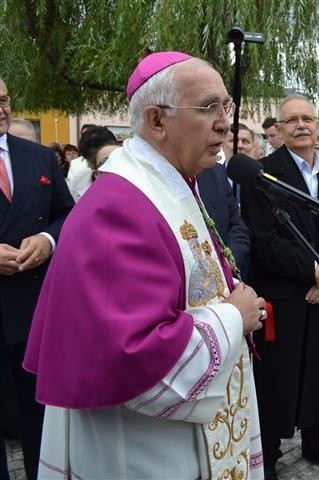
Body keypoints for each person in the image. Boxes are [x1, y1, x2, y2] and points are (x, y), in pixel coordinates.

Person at [23, 51, 265, 479]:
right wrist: (234, 316)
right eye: (208, 107)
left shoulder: (171, 182)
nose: (225, 122)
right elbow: (134, 354)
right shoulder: (120, 209)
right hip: (144, 451)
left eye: (225, 106)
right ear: (156, 121)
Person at [241, 94, 319, 480]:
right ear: (278, 128)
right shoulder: (263, 174)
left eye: (307, 118)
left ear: (318, 122)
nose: (301, 125)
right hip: (285, 294)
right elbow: (265, 240)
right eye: (291, 120)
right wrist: (315, 273)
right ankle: (270, 456)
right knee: (279, 377)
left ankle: (317, 444)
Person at [0, 77, 75, 480]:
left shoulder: (38, 157)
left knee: (38, 414)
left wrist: (48, 240)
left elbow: (69, 214)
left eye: (5, 99)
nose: (1, 108)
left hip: (33, 309)